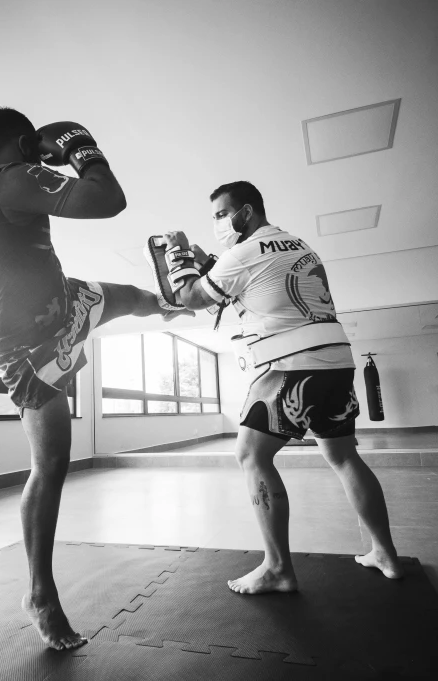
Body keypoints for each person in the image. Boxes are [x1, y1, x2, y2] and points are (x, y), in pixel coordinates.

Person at [0, 108, 192, 650]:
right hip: (23, 339)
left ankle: (169, 305)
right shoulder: (14, 176)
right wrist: (81, 146)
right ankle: (39, 593)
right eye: (31, 146)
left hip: (59, 298)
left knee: (126, 298)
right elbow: (107, 198)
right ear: (19, 142)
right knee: (52, 461)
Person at [161, 180, 403, 595]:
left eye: (222, 214)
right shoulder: (298, 244)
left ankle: (277, 569)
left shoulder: (243, 253)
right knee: (344, 457)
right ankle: (385, 553)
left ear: (247, 211)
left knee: (251, 456)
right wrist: (211, 261)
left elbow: (191, 297)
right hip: (337, 362)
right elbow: (255, 287)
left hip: (292, 364)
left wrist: (177, 253)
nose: (219, 222)